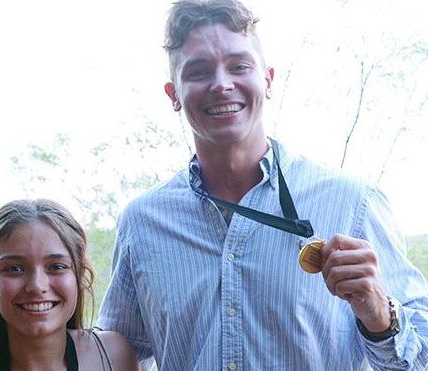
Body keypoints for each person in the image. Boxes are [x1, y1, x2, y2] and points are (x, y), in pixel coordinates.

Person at [97, 0, 428, 370]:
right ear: (173, 95)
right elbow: (114, 357)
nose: (222, 84)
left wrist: (381, 317)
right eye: (199, 71)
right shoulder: (141, 223)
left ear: (267, 80)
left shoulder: (354, 203)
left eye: (239, 66)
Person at [0, 199, 139, 371]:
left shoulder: (113, 356)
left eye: (56, 267)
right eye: (15, 269)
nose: (36, 286)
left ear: (80, 274)